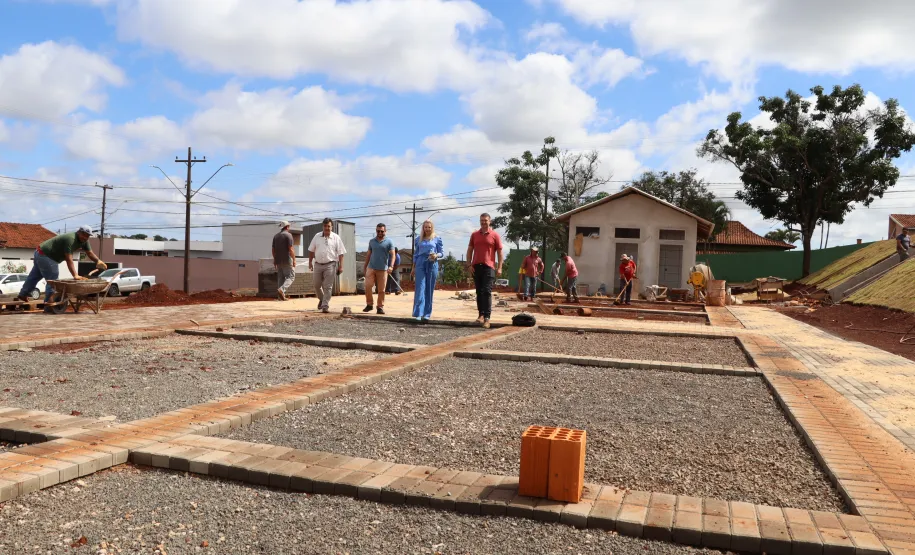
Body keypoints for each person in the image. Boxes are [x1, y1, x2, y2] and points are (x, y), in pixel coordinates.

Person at [16, 225, 106, 305]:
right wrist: (75, 275)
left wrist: (98, 261)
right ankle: (49, 306)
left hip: (40, 253)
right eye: (84, 235)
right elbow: (69, 259)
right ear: (79, 232)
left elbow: (89, 253)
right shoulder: (71, 239)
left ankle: (23, 294)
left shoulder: (85, 241)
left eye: (87, 236)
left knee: (34, 276)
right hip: (46, 255)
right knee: (53, 281)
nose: (85, 238)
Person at [466, 213, 503, 328]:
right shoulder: (474, 235)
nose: (483, 222)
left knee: (487, 291)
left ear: (489, 221)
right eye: (481, 220)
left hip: (489, 267)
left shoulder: (495, 235)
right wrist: (469, 264)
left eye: (485, 220)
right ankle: (480, 315)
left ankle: (487, 318)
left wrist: (500, 267)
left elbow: (500, 253)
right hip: (476, 266)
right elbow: (470, 250)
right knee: (479, 291)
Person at [308, 218, 347, 313]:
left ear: (331, 227)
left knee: (328, 286)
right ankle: (322, 299)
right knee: (316, 285)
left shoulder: (336, 237)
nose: (327, 228)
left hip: (330, 264)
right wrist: (310, 262)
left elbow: (341, 253)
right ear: (323, 227)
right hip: (317, 264)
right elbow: (311, 250)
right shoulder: (317, 236)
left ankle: (325, 305)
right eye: (325, 226)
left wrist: (341, 266)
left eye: (329, 226)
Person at [412, 220, 444, 322]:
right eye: (425, 227)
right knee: (420, 288)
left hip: (432, 263)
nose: (427, 229)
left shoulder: (437, 239)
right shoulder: (418, 239)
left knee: (429, 289)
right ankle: (418, 313)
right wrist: (413, 267)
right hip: (420, 263)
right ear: (423, 228)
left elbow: (441, 253)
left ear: (432, 228)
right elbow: (416, 254)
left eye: (429, 227)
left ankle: (426, 313)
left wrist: (436, 255)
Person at [363, 223, 395, 315]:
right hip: (371, 267)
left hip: (383, 269)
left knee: (381, 290)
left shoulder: (389, 242)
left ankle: (380, 307)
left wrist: (391, 266)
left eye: (382, 231)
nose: (380, 233)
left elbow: (393, 255)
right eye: (378, 231)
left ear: (385, 231)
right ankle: (369, 304)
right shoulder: (372, 241)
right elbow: (368, 254)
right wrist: (365, 266)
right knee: (368, 286)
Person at [272, 221, 296, 301]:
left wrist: (275, 260)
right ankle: (282, 290)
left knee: (281, 278)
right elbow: (291, 249)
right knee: (291, 277)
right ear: (287, 227)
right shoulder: (288, 235)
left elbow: (273, 250)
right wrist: (294, 260)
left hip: (278, 260)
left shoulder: (276, 236)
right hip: (287, 260)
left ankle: (280, 297)